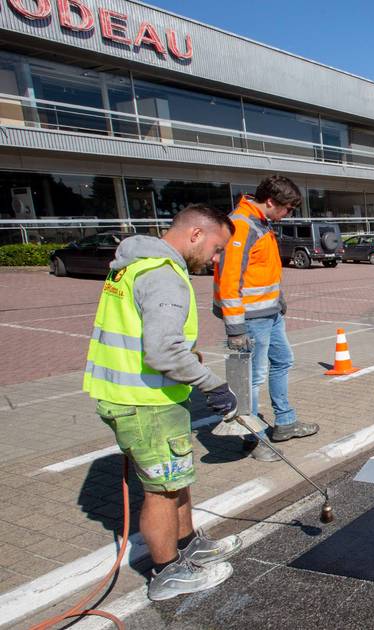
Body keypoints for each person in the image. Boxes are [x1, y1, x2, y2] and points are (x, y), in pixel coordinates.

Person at [84, 204, 243, 601]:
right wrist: (213, 386)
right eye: (216, 248)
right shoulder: (163, 276)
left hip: (147, 395)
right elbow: (162, 351)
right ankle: (168, 572)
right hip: (143, 402)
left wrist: (188, 361)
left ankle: (188, 542)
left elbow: (148, 338)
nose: (216, 258)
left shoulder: (136, 265)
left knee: (177, 477)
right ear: (195, 235)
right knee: (162, 490)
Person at [214, 176, 318, 459]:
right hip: (251, 318)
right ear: (271, 201)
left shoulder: (261, 222)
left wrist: (278, 299)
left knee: (283, 361)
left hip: (269, 313)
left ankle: (284, 422)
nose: (288, 215)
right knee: (253, 378)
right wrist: (235, 328)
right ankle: (254, 438)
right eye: (287, 209)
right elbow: (229, 279)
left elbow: (264, 271)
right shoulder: (241, 225)